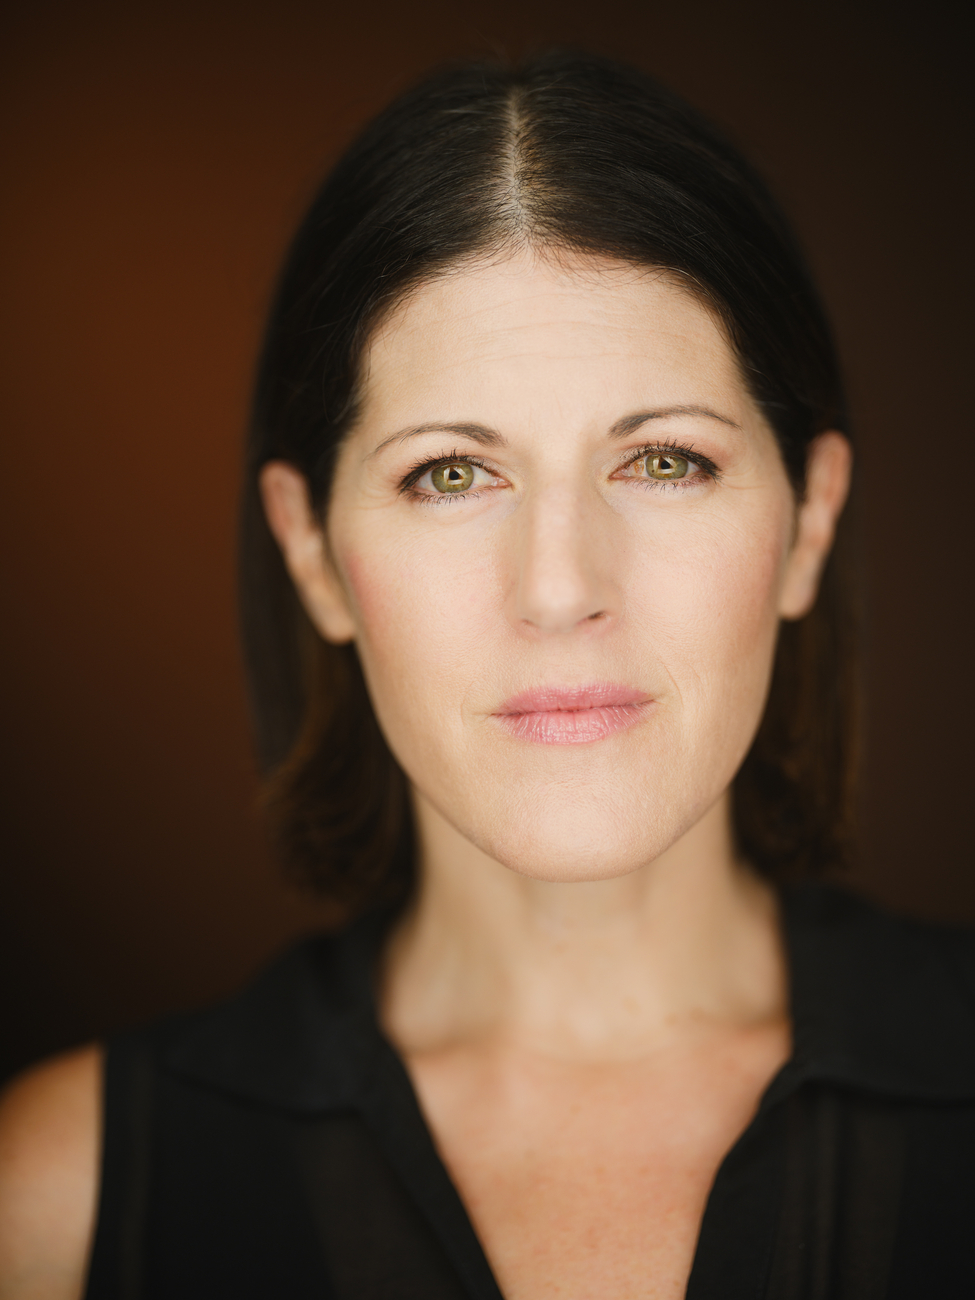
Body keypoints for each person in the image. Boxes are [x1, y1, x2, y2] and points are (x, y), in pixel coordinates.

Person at [0, 50, 972, 1300]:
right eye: (450, 474)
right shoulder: (53, 1207)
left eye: (664, 461)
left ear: (810, 522)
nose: (560, 587)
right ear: (311, 552)